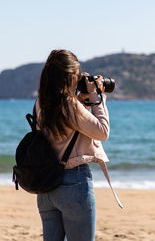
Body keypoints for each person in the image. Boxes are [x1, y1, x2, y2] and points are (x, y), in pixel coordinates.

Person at [35, 49, 109, 241]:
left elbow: (63, 126)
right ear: (68, 77)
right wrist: (97, 96)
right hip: (74, 183)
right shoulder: (70, 105)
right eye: (76, 76)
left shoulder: (40, 103)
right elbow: (102, 131)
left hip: (47, 185)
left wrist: (81, 101)